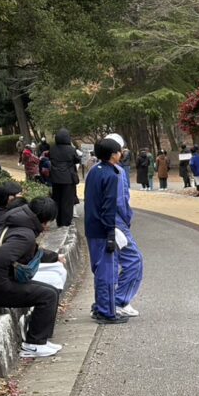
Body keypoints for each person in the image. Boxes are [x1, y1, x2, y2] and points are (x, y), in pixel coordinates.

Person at [0, 196, 65, 358]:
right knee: (48, 296)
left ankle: (40, 339)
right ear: (44, 220)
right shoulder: (25, 234)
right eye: (49, 222)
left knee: (51, 291)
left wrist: (54, 257)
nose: (48, 226)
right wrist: (5, 288)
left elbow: (31, 252)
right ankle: (34, 344)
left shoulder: (20, 222)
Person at [84, 136, 129, 325]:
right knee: (107, 272)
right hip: (103, 229)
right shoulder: (111, 175)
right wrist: (111, 231)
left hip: (91, 227)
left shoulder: (94, 171)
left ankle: (99, 307)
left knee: (99, 269)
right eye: (119, 151)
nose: (120, 154)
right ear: (113, 155)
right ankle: (106, 311)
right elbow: (109, 205)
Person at [107, 133, 144, 318]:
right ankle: (120, 300)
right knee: (134, 260)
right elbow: (121, 201)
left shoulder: (94, 170)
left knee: (111, 263)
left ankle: (108, 301)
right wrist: (127, 219)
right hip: (117, 221)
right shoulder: (117, 172)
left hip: (102, 222)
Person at [49, 128, 81, 227]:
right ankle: (66, 221)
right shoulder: (71, 149)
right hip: (68, 179)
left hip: (55, 178)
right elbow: (77, 159)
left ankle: (58, 220)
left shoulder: (52, 149)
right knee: (67, 201)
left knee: (57, 199)